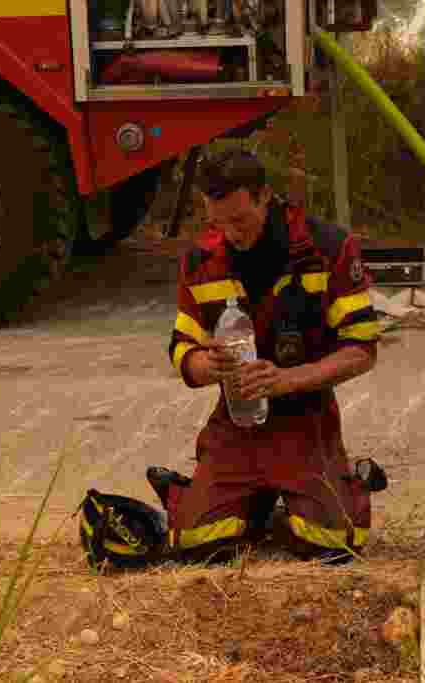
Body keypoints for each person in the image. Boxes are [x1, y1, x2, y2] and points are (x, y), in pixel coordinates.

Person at [159, 148, 382, 564]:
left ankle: (338, 487)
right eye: (216, 222)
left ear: (265, 197)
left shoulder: (327, 247)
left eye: (239, 219)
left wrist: (288, 380)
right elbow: (181, 349)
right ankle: (240, 499)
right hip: (236, 421)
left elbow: (362, 349)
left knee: (330, 542)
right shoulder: (201, 260)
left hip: (305, 419)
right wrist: (207, 366)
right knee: (196, 542)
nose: (230, 233)